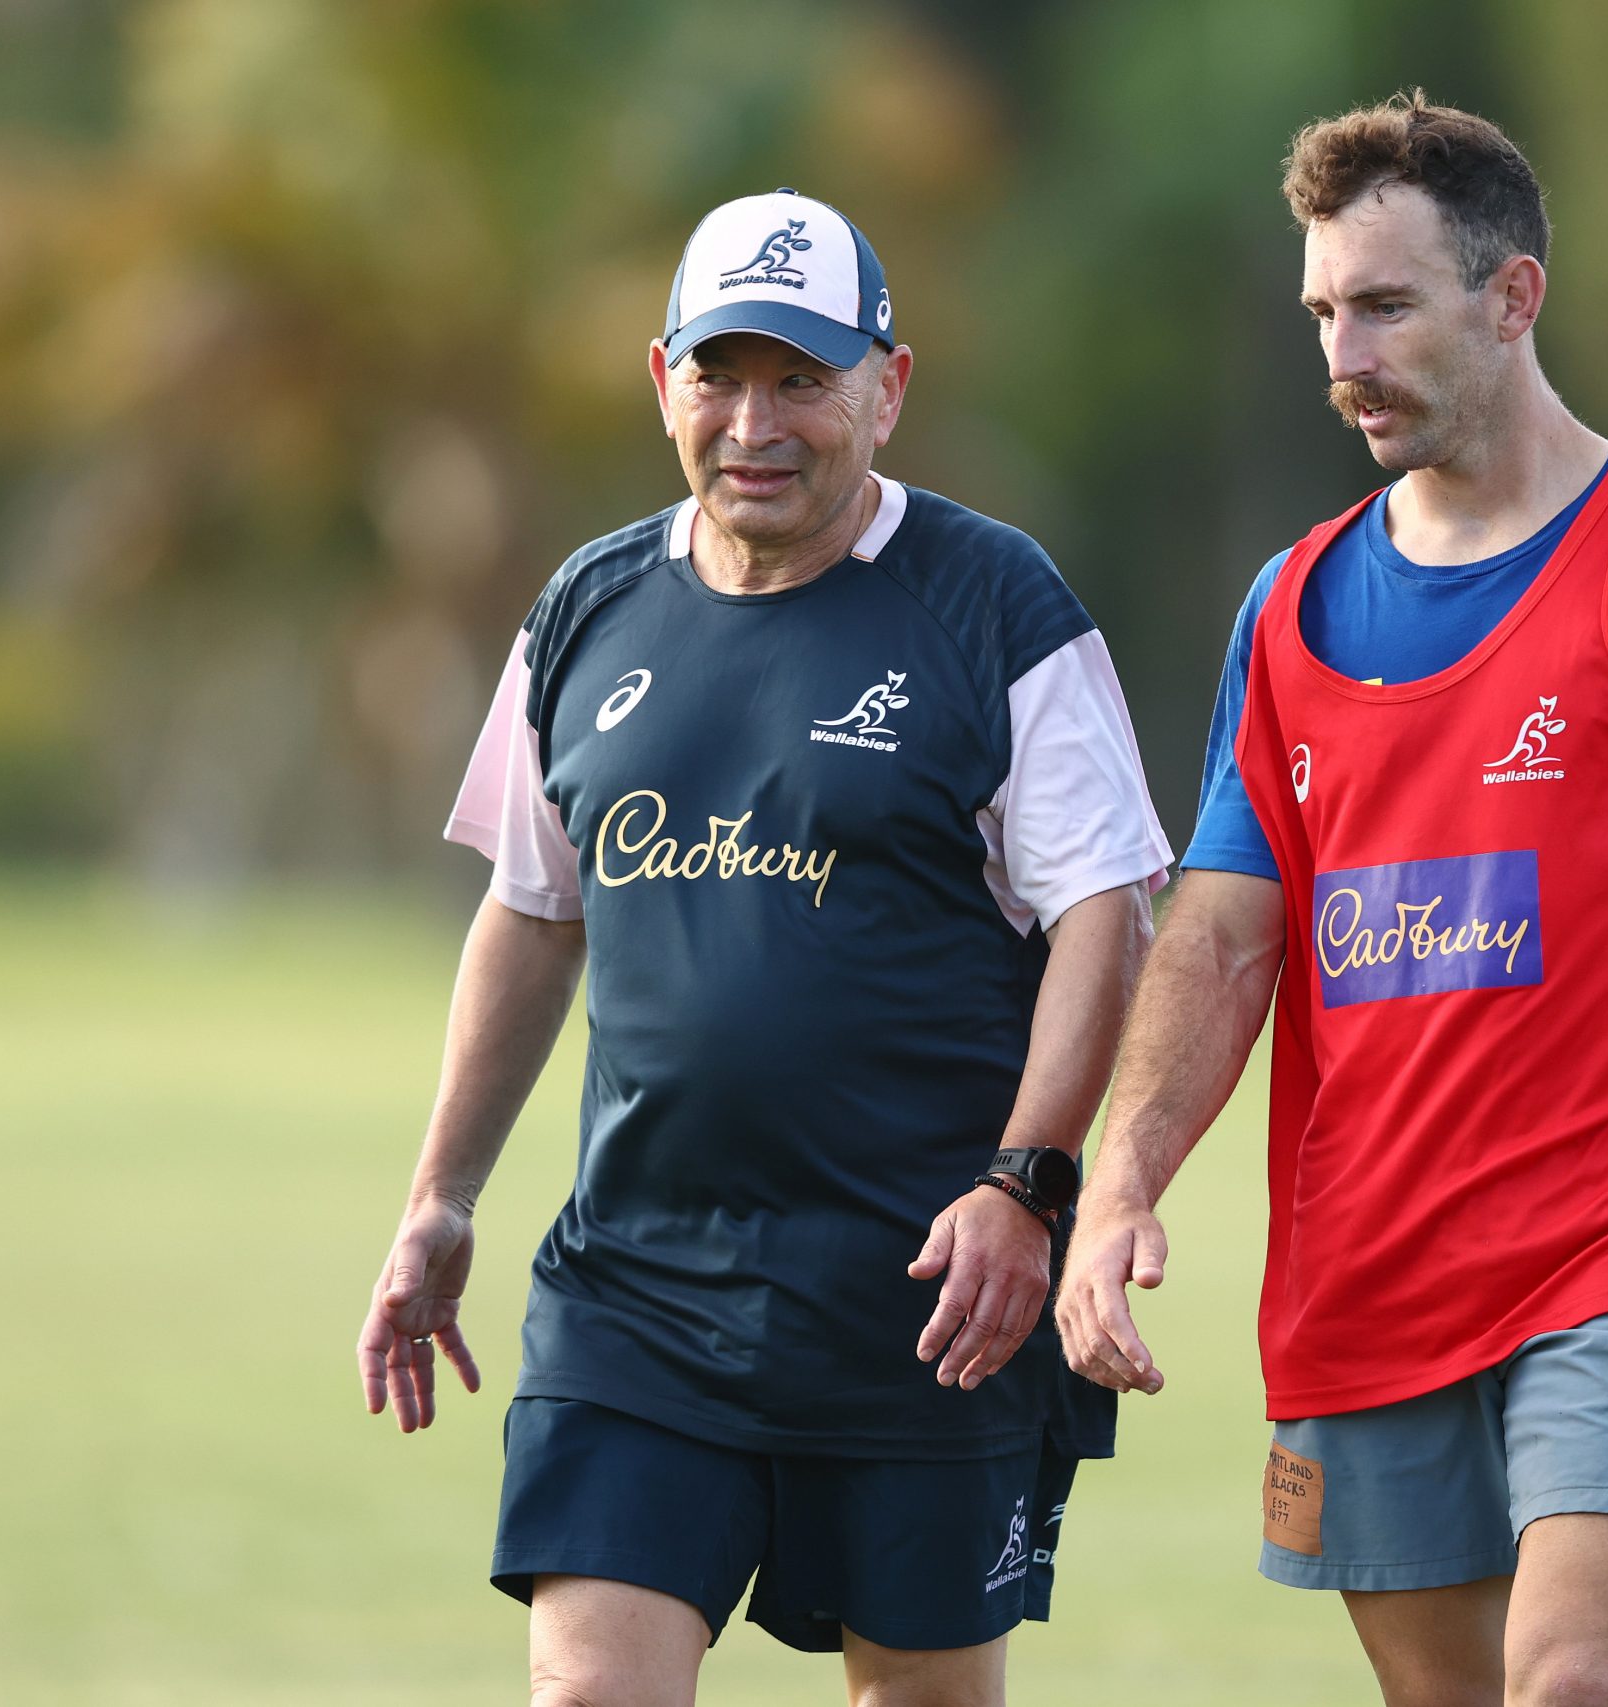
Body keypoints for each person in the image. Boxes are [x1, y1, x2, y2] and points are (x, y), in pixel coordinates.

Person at [1055, 92, 1608, 1707]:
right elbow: (1227, 932)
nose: (1346, 355)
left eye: (1385, 306)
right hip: (1370, 1277)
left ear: (1511, 295)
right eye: (1324, 312)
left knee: (1576, 1687)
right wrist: (1119, 1185)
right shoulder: (1293, 603)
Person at [357, 188, 1171, 1707]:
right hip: (640, 1296)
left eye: (801, 376)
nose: (756, 421)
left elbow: (1105, 920)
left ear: (888, 385)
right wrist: (439, 1199)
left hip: (929, 1303)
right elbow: (535, 914)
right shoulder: (588, 608)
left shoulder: (999, 608)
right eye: (720, 375)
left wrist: (1028, 1185)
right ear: (661, 375)